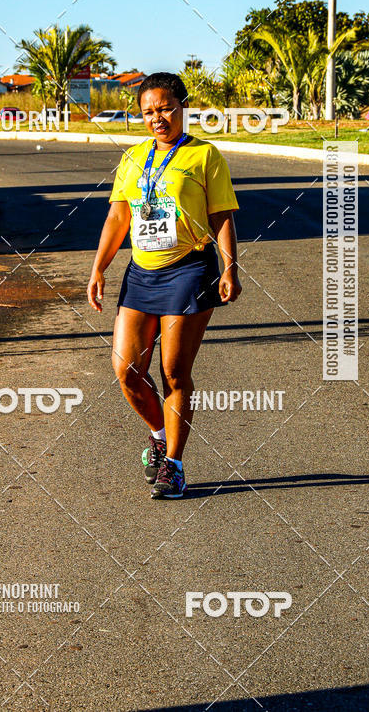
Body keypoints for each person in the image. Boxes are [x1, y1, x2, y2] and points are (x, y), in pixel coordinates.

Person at [87, 72, 242, 499]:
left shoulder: (204, 156)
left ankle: (173, 465)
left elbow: (222, 216)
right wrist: (99, 268)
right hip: (141, 273)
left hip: (189, 270)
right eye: (148, 112)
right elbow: (118, 218)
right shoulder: (133, 158)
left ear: (183, 107)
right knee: (126, 370)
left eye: (166, 108)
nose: (158, 118)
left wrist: (229, 267)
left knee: (174, 372)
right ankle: (158, 434)